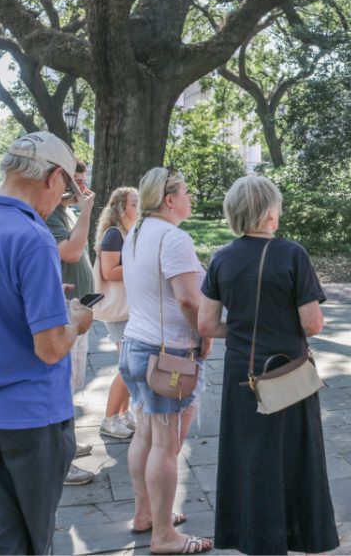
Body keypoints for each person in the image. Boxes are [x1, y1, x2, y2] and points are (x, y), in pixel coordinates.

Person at [0, 131, 94, 554]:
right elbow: (49, 349)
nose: (60, 201)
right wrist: (76, 320)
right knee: (31, 541)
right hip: (30, 415)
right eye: (65, 191)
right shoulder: (33, 235)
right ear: (54, 177)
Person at [198, 175, 339, 555]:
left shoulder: (221, 258)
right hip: (287, 372)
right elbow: (312, 323)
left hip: (242, 374)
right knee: (295, 457)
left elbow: (207, 325)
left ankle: (255, 541)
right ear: (270, 213)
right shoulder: (292, 254)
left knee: (249, 459)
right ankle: (300, 534)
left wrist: (244, 327)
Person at [119, 167, 213, 554]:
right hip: (168, 353)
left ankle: (146, 515)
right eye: (187, 193)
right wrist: (202, 334)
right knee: (165, 443)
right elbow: (189, 299)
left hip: (136, 345)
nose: (191, 199)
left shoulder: (136, 234)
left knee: (145, 433)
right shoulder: (173, 238)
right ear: (170, 199)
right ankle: (163, 535)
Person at [45, 159, 97, 485]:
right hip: (66, 308)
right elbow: (72, 252)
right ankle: (60, 461)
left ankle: (68, 444)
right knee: (64, 383)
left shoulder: (66, 212)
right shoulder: (51, 213)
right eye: (74, 181)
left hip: (78, 308)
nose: (80, 188)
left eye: (82, 180)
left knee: (74, 381)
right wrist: (88, 210)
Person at [94, 186, 139, 439]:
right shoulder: (114, 235)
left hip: (127, 310)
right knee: (129, 367)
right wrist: (140, 265)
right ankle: (110, 419)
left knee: (129, 365)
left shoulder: (126, 233)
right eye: (134, 204)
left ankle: (121, 415)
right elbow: (108, 272)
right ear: (121, 208)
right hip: (119, 311)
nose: (139, 208)